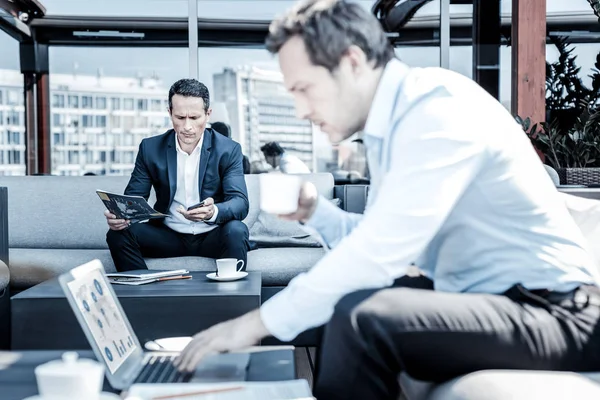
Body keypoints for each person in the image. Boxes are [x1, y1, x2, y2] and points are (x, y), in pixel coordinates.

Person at [174, 1, 600, 399]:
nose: (300, 109)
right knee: (350, 303)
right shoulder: (392, 128)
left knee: (360, 318)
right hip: (491, 297)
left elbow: (376, 256)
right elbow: (382, 241)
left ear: (352, 62)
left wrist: (249, 326)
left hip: (558, 313)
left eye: (303, 88)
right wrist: (316, 214)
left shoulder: (436, 107)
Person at [105, 79, 250, 272]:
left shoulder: (228, 149)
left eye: (194, 117)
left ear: (208, 115)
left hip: (212, 235)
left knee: (237, 230)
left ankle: (232, 299)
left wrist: (213, 211)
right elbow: (133, 199)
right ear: (170, 113)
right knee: (118, 234)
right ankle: (144, 292)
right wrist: (122, 216)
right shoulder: (150, 148)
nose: (187, 126)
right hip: (168, 235)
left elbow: (240, 203)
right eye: (180, 117)